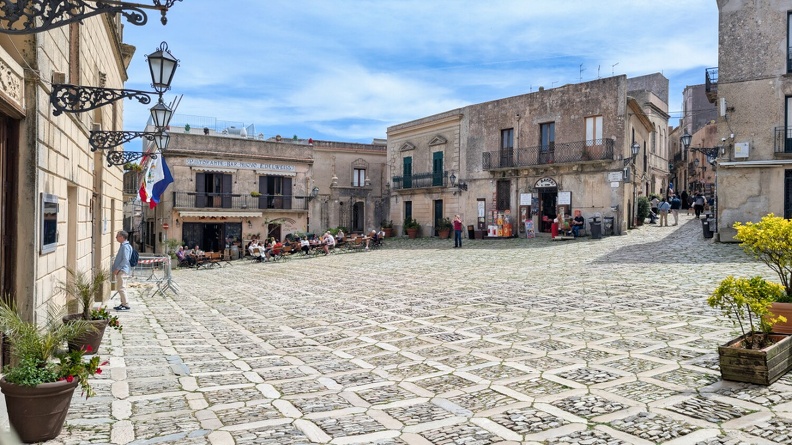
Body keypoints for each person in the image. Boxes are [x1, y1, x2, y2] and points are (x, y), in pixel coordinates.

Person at [112, 230, 132, 311]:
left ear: (122, 237)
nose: (116, 237)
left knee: (121, 288)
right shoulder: (123, 246)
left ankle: (126, 304)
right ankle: (122, 303)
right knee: (120, 287)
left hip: (122, 270)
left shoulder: (125, 246)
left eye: (117, 236)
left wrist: (118, 268)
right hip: (122, 270)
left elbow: (125, 259)